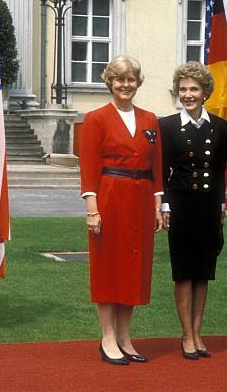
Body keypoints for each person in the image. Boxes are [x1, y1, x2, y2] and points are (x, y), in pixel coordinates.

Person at [80, 55, 164, 365]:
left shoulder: (150, 119)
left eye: (131, 79)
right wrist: (92, 209)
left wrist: (158, 204)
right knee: (108, 266)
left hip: (141, 201)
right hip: (109, 198)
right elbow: (89, 166)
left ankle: (126, 337)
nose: (125, 85)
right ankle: (107, 337)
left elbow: (157, 165)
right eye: (119, 79)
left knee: (133, 267)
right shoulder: (96, 118)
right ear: (110, 82)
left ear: (138, 83)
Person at [159, 62, 227, 360]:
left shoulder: (220, 127)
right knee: (184, 273)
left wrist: (223, 204)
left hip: (209, 207)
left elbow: (221, 170)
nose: (188, 94)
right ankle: (186, 335)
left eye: (194, 89)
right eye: (183, 89)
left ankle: (198, 332)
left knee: (203, 273)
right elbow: (161, 170)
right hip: (181, 207)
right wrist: (164, 205)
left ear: (205, 93)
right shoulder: (167, 125)